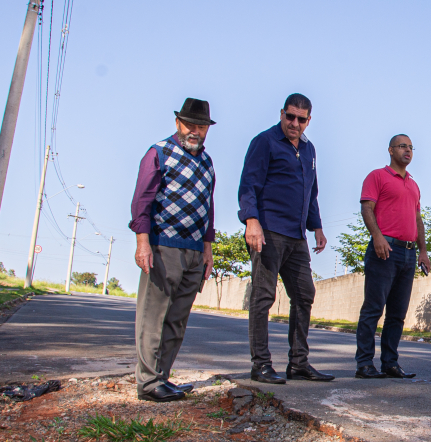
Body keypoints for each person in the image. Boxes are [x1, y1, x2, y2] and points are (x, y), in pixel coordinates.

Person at [237, 93, 334, 384]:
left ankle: (299, 363)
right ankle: (261, 364)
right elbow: (248, 184)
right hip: (267, 232)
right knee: (264, 296)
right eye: (289, 116)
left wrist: (316, 226)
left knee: (305, 294)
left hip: (296, 236)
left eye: (301, 119)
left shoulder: (309, 149)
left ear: (308, 120)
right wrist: (251, 221)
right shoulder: (264, 142)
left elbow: (310, 192)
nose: (294, 123)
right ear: (282, 113)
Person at [129, 98, 217, 402]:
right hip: (163, 246)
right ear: (177, 123)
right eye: (189, 124)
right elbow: (142, 202)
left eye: (201, 126)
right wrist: (143, 244)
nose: (195, 131)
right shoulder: (159, 153)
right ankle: (148, 383)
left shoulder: (206, 162)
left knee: (177, 320)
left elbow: (208, 207)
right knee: (153, 318)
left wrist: (207, 250)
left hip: (194, 251)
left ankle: (162, 378)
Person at [354, 135, 431, 379]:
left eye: (410, 147)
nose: (408, 150)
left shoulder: (414, 184)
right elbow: (367, 208)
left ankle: (390, 363)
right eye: (402, 146)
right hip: (384, 249)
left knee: (397, 313)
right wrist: (377, 236)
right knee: (373, 309)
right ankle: (364, 364)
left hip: (408, 254)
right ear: (390, 150)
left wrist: (423, 251)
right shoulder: (377, 176)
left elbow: (418, 219)